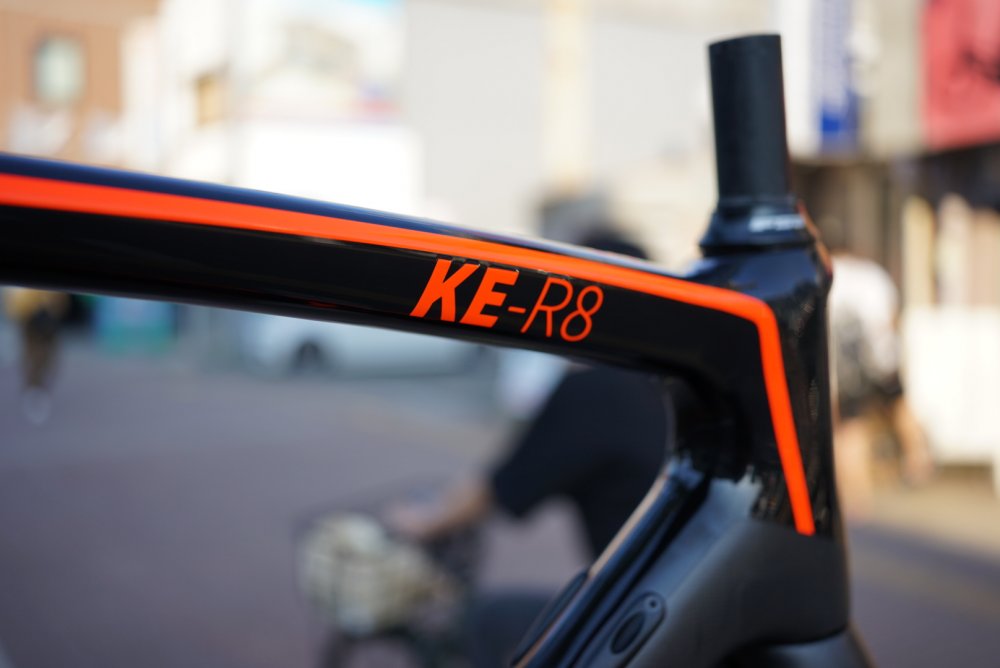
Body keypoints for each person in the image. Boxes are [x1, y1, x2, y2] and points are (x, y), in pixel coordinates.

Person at [387, 231, 670, 666]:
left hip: (645, 618)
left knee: (488, 621)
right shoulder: (664, 383)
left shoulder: (596, 391)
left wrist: (423, 522)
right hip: (682, 602)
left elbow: (497, 488)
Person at [828, 251, 933, 518]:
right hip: (883, 357)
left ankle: (858, 497)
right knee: (899, 407)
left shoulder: (827, 274)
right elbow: (891, 318)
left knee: (851, 427)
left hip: (847, 368)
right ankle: (918, 461)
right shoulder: (873, 274)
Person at [3, 287, 69, 424]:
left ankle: (36, 389)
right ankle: (34, 389)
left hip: (45, 315)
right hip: (29, 314)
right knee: (34, 355)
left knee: (44, 356)